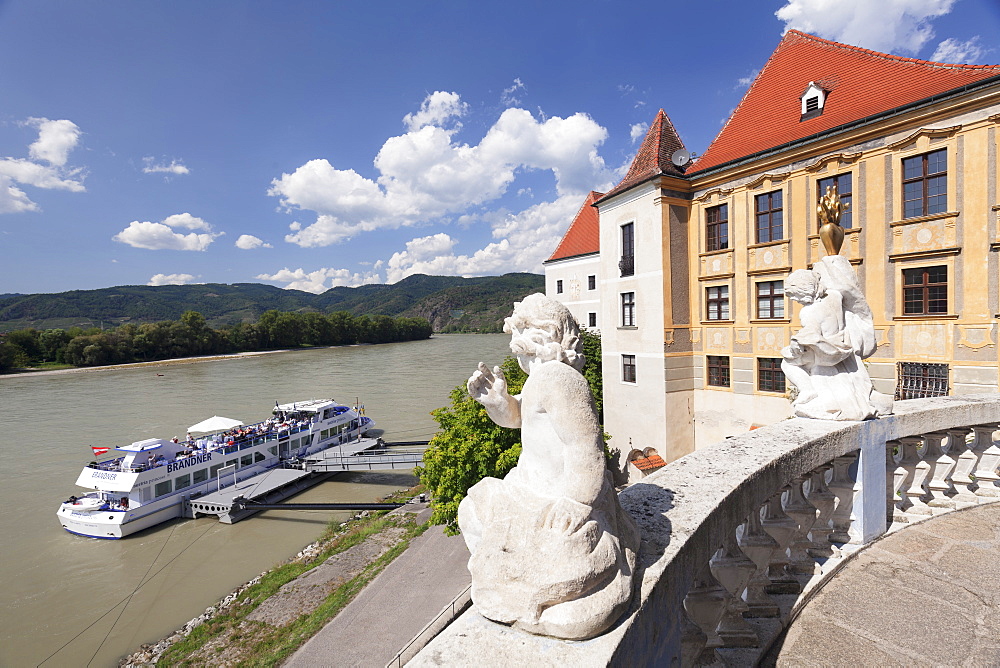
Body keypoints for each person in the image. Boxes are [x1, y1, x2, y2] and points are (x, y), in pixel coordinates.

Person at [458, 293, 638, 640]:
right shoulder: (544, 379)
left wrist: (576, 501)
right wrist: (500, 403)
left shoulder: (559, 380)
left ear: (534, 337)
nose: (513, 347)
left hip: (558, 499)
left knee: (475, 512)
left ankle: (512, 592)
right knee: (477, 512)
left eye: (515, 338)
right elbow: (521, 418)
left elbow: (585, 445)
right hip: (530, 488)